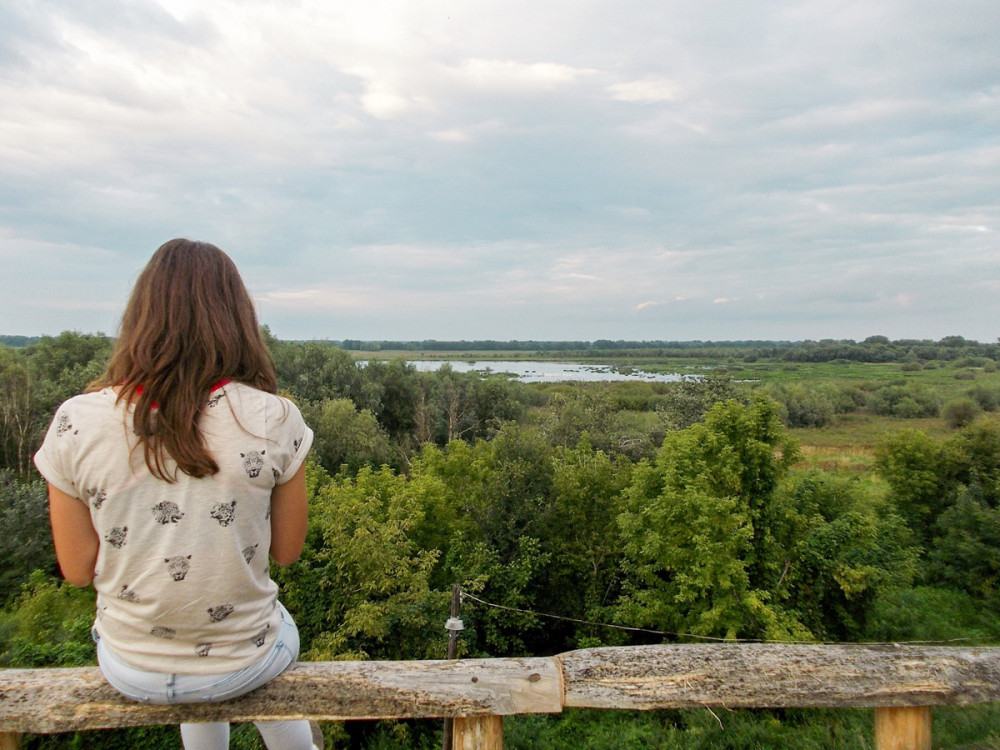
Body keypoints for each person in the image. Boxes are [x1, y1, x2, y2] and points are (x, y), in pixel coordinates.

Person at [34, 239, 322, 750]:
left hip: (132, 664)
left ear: (141, 316)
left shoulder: (76, 421)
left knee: (202, 648)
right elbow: (289, 551)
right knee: (267, 634)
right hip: (242, 661)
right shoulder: (275, 419)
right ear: (236, 318)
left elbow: (77, 570)